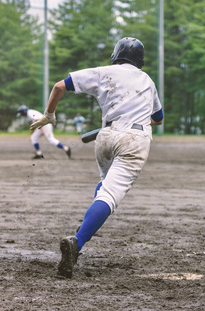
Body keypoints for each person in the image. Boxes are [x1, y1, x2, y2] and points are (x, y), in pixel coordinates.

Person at [31, 37, 163, 279]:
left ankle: (82, 237)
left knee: (105, 186)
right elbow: (158, 117)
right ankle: (77, 243)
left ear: (116, 55)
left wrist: (49, 115)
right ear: (140, 60)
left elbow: (60, 86)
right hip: (135, 140)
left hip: (106, 136)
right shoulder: (147, 80)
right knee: (110, 196)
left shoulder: (104, 72)